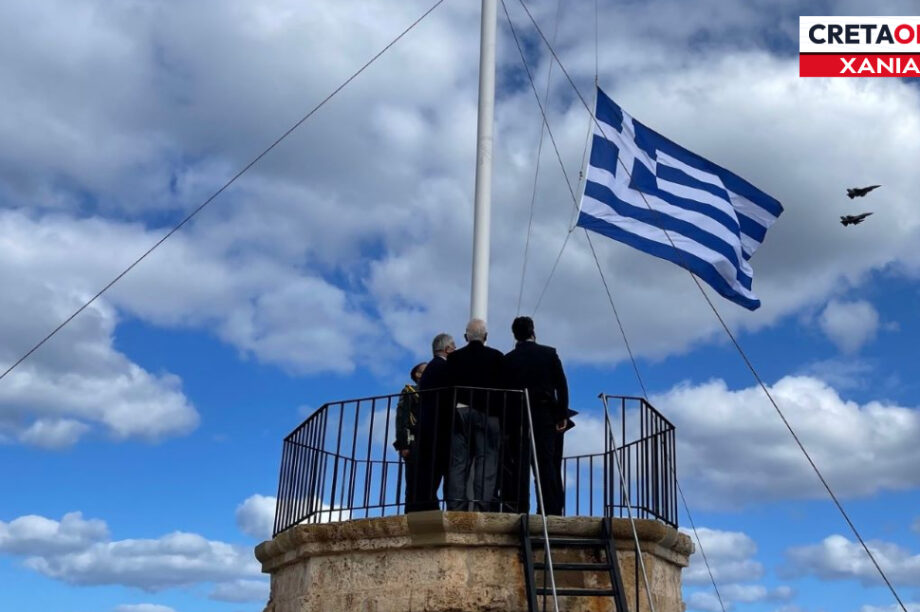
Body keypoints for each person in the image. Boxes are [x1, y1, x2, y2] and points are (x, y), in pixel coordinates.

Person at [502, 316, 569, 516]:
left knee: (519, 464)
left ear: (515, 335)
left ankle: (520, 508)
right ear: (533, 331)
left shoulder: (508, 359)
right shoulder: (549, 354)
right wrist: (561, 414)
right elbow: (562, 386)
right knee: (546, 464)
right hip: (544, 414)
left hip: (518, 416)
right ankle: (550, 510)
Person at [445, 319, 504, 511]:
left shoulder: (454, 358)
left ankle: (456, 507)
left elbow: (448, 386)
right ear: (486, 337)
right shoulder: (496, 357)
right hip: (488, 413)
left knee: (458, 462)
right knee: (486, 461)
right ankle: (482, 506)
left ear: (465, 337)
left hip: (460, 411)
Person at [409, 333, 456, 512]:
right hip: (439, 427)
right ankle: (430, 507)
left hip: (430, 426)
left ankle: (427, 506)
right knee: (437, 470)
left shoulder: (432, 368)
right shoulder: (441, 367)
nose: (456, 350)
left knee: (430, 472)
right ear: (447, 349)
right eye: (454, 347)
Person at [393, 362, 427, 509]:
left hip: (432, 441)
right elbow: (402, 418)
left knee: (429, 482)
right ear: (417, 375)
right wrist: (404, 444)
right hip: (415, 442)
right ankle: (412, 515)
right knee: (413, 482)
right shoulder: (410, 391)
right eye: (426, 370)